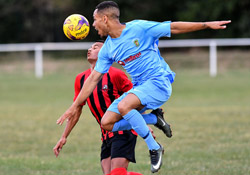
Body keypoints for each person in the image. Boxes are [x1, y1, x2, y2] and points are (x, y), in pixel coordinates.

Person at [56, 1, 231, 173]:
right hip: (140, 88)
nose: (92, 24)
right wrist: (73, 107)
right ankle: (155, 119)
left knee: (124, 106)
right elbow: (93, 79)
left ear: (105, 19)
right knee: (107, 122)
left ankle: (155, 148)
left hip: (158, 83)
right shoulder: (108, 48)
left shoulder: (139, 28)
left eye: (94, 19)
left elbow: (173, 27)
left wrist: (206, 24)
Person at [54, 41, 158, 175]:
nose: (90, 49)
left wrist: (143, 124)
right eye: (90, 47)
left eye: (96, 47)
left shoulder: (115, 74)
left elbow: (137, 99)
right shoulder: (81, 79)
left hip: (123, 131)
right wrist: (64, 137)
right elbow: (77, 110)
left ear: (106, 52)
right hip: (106, 134)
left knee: (117, 173)